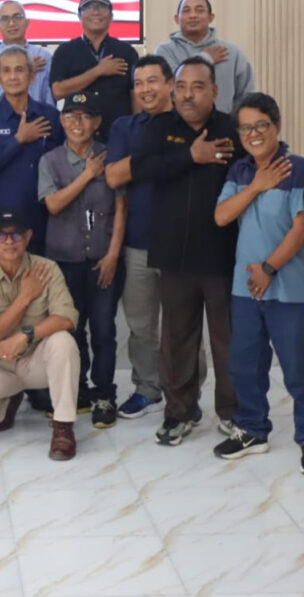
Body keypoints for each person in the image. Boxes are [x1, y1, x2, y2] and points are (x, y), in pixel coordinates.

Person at [212, 93, 304, 475]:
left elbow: (303, 227)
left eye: (261, 125)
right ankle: (252, 429)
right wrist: (257, 186)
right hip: (245, 289)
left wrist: (269, 268)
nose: (253, 134)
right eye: (245, 128)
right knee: (245, 365)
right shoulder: (240, 171)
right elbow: (221, 216)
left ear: (276, 126)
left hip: (288, 288)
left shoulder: (297, 168)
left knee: (298, 369)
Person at [133, 57, 242, 446]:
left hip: (222, 255)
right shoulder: (159, 128)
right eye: (181, 87)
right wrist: (189, 157)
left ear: (214, 91)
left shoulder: (232, 128)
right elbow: (142, 170)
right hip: (173, 255)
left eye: (197, 87)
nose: (187, 95)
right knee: (177, 340)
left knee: (228, 341)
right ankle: (179, 412)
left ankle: (233, 413)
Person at [106, 56, 202, 420]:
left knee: (184, 326)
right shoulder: (125, 127)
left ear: (169, 85)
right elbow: (113, 177)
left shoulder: (189, 123)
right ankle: (147, 388)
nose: (145, 89)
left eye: (152, 81)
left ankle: (188, 393)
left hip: (183, 244)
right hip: (138, 243)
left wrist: (141, 163)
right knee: (141, 326)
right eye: (139, 83)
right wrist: (163, 157)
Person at [0, 208, 81, 461]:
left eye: (16, 235)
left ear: (28, 236)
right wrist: (24, 297)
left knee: (63, 341)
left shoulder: (47, 268)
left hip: (37, 360)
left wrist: (25, 335)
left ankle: (63, 426)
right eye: (2, 236)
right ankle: (6, 407)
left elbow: (67, 318)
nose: (10, 242)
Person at [39, 93, 125, 429]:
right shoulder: (50, 160)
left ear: (97, 122)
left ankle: (104, 394)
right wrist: (87, 175)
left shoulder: (111, 155)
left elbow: (122, 208)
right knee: (70, 330)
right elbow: (53, 205)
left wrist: (113, 254)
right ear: (62, 121)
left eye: (86, 116)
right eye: (71, 116)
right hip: (64, 261)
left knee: (103, 329)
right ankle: (76, 391)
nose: (78, 123)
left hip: (103, 259)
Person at [0, 45, 64, 254]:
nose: (13, 77)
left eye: (19, 70)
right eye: (7, 71)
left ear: (32, 76)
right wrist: (18, 140)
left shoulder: (50, 116)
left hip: (40, 223)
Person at [49, 0, 139, 140]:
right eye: (89, 7)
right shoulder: (65, 51)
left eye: (102, 7)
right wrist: (98, 71)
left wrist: (136, 130)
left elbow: (135, 95)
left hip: (119, 136)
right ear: (79, 16)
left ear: (111, 16)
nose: (96, 12)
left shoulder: (126, 51)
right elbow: (57, 91)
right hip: (79, 138)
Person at [153, 0, 255, 114]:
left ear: (211, 17)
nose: (193, 15)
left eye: (199, 10)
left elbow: (247, 95)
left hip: (224, 123)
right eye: (186, 11)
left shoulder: (231, 52)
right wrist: (206, 58)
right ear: (177, 18)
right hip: (176, 123)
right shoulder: (164, 51)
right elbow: (169, 87)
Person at [0, 1, 55, 107]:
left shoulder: (43, 56)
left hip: (38, 116)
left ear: (27, 23)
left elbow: (49, 100)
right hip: (0, 116)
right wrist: (25, 69)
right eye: (5, 19)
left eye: (17, 17)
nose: (12, 23)